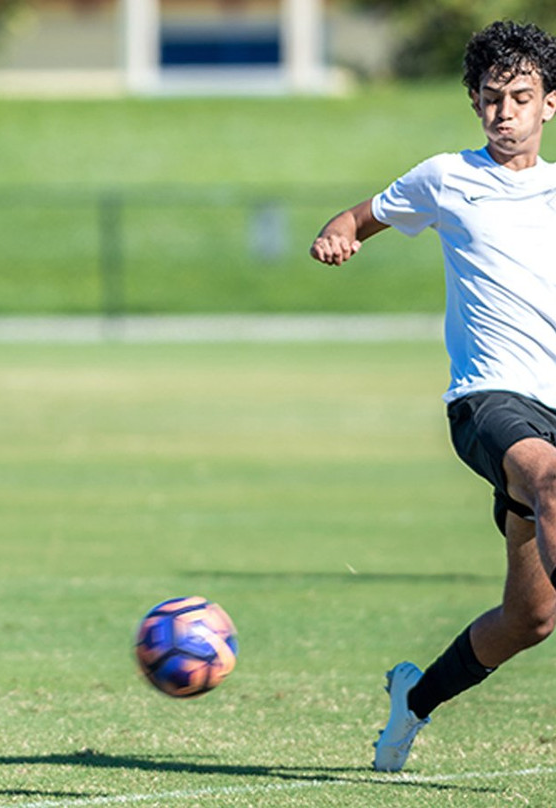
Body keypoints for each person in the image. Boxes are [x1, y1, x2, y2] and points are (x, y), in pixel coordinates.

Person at [310, 20, 556, 772]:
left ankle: (414, 701)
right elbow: (358, 217)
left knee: (531, 618)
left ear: (551, 104)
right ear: (473, 104)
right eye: (490, 99)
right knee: (549, 477)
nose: (503, 112)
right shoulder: (445, 177)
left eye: (520, 97)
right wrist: (337, 233)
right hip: (488, 400)